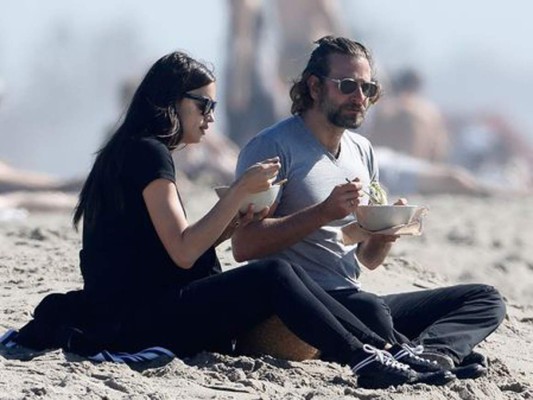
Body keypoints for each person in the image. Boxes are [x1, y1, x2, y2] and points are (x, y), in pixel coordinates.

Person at [9, 51, 453, 390]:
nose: (210, 118)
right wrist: (239, 192)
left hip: (144, 305)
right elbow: (183, 252)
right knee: (275, 272)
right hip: (143, 316)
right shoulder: (147, 153)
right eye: (203, 105)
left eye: (213, 107)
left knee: (285, 279)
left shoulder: (134, 152)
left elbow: (172, 247)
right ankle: (368, 360)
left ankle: (386, 352)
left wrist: (235, 220)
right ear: (169, 102)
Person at [234, 36, 506, 378]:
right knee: (371, 310)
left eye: (368, 88)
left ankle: (433, 354)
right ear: (315, 87)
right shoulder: (272, 147)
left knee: (485, 299)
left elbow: (366, 260)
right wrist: (321, 213)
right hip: (297, 307)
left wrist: (382, 233)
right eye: (348, 86)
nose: (360, 98)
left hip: (351, 295)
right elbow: (244, 246)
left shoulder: (361, 150)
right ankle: (405, 353)